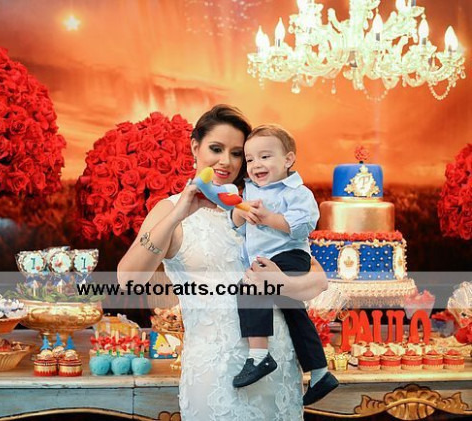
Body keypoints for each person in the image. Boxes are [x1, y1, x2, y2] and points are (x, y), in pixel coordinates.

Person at [117, 104, 328, 420]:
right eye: (216, 149)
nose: (226, 161)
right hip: (214, 374)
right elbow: (128, 280)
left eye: (237, 153)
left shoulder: (260, 207)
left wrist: (282, 283)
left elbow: (318, 282)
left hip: (278, 367)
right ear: (195, 147)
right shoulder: (170, 210)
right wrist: (178, 215)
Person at [230, 125, 338, 405]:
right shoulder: (249, 190)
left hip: (290, 255)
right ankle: (320, 372)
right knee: (294, 312)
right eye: (250, 159)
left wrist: (267, 218)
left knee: (251, 286)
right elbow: (236, 225)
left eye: (265, 157)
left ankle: (259, 355)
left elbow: (301, 226)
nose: (256, 164)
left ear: (288, 159)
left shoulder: (297, 192)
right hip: (269, 258)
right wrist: (241, 214)